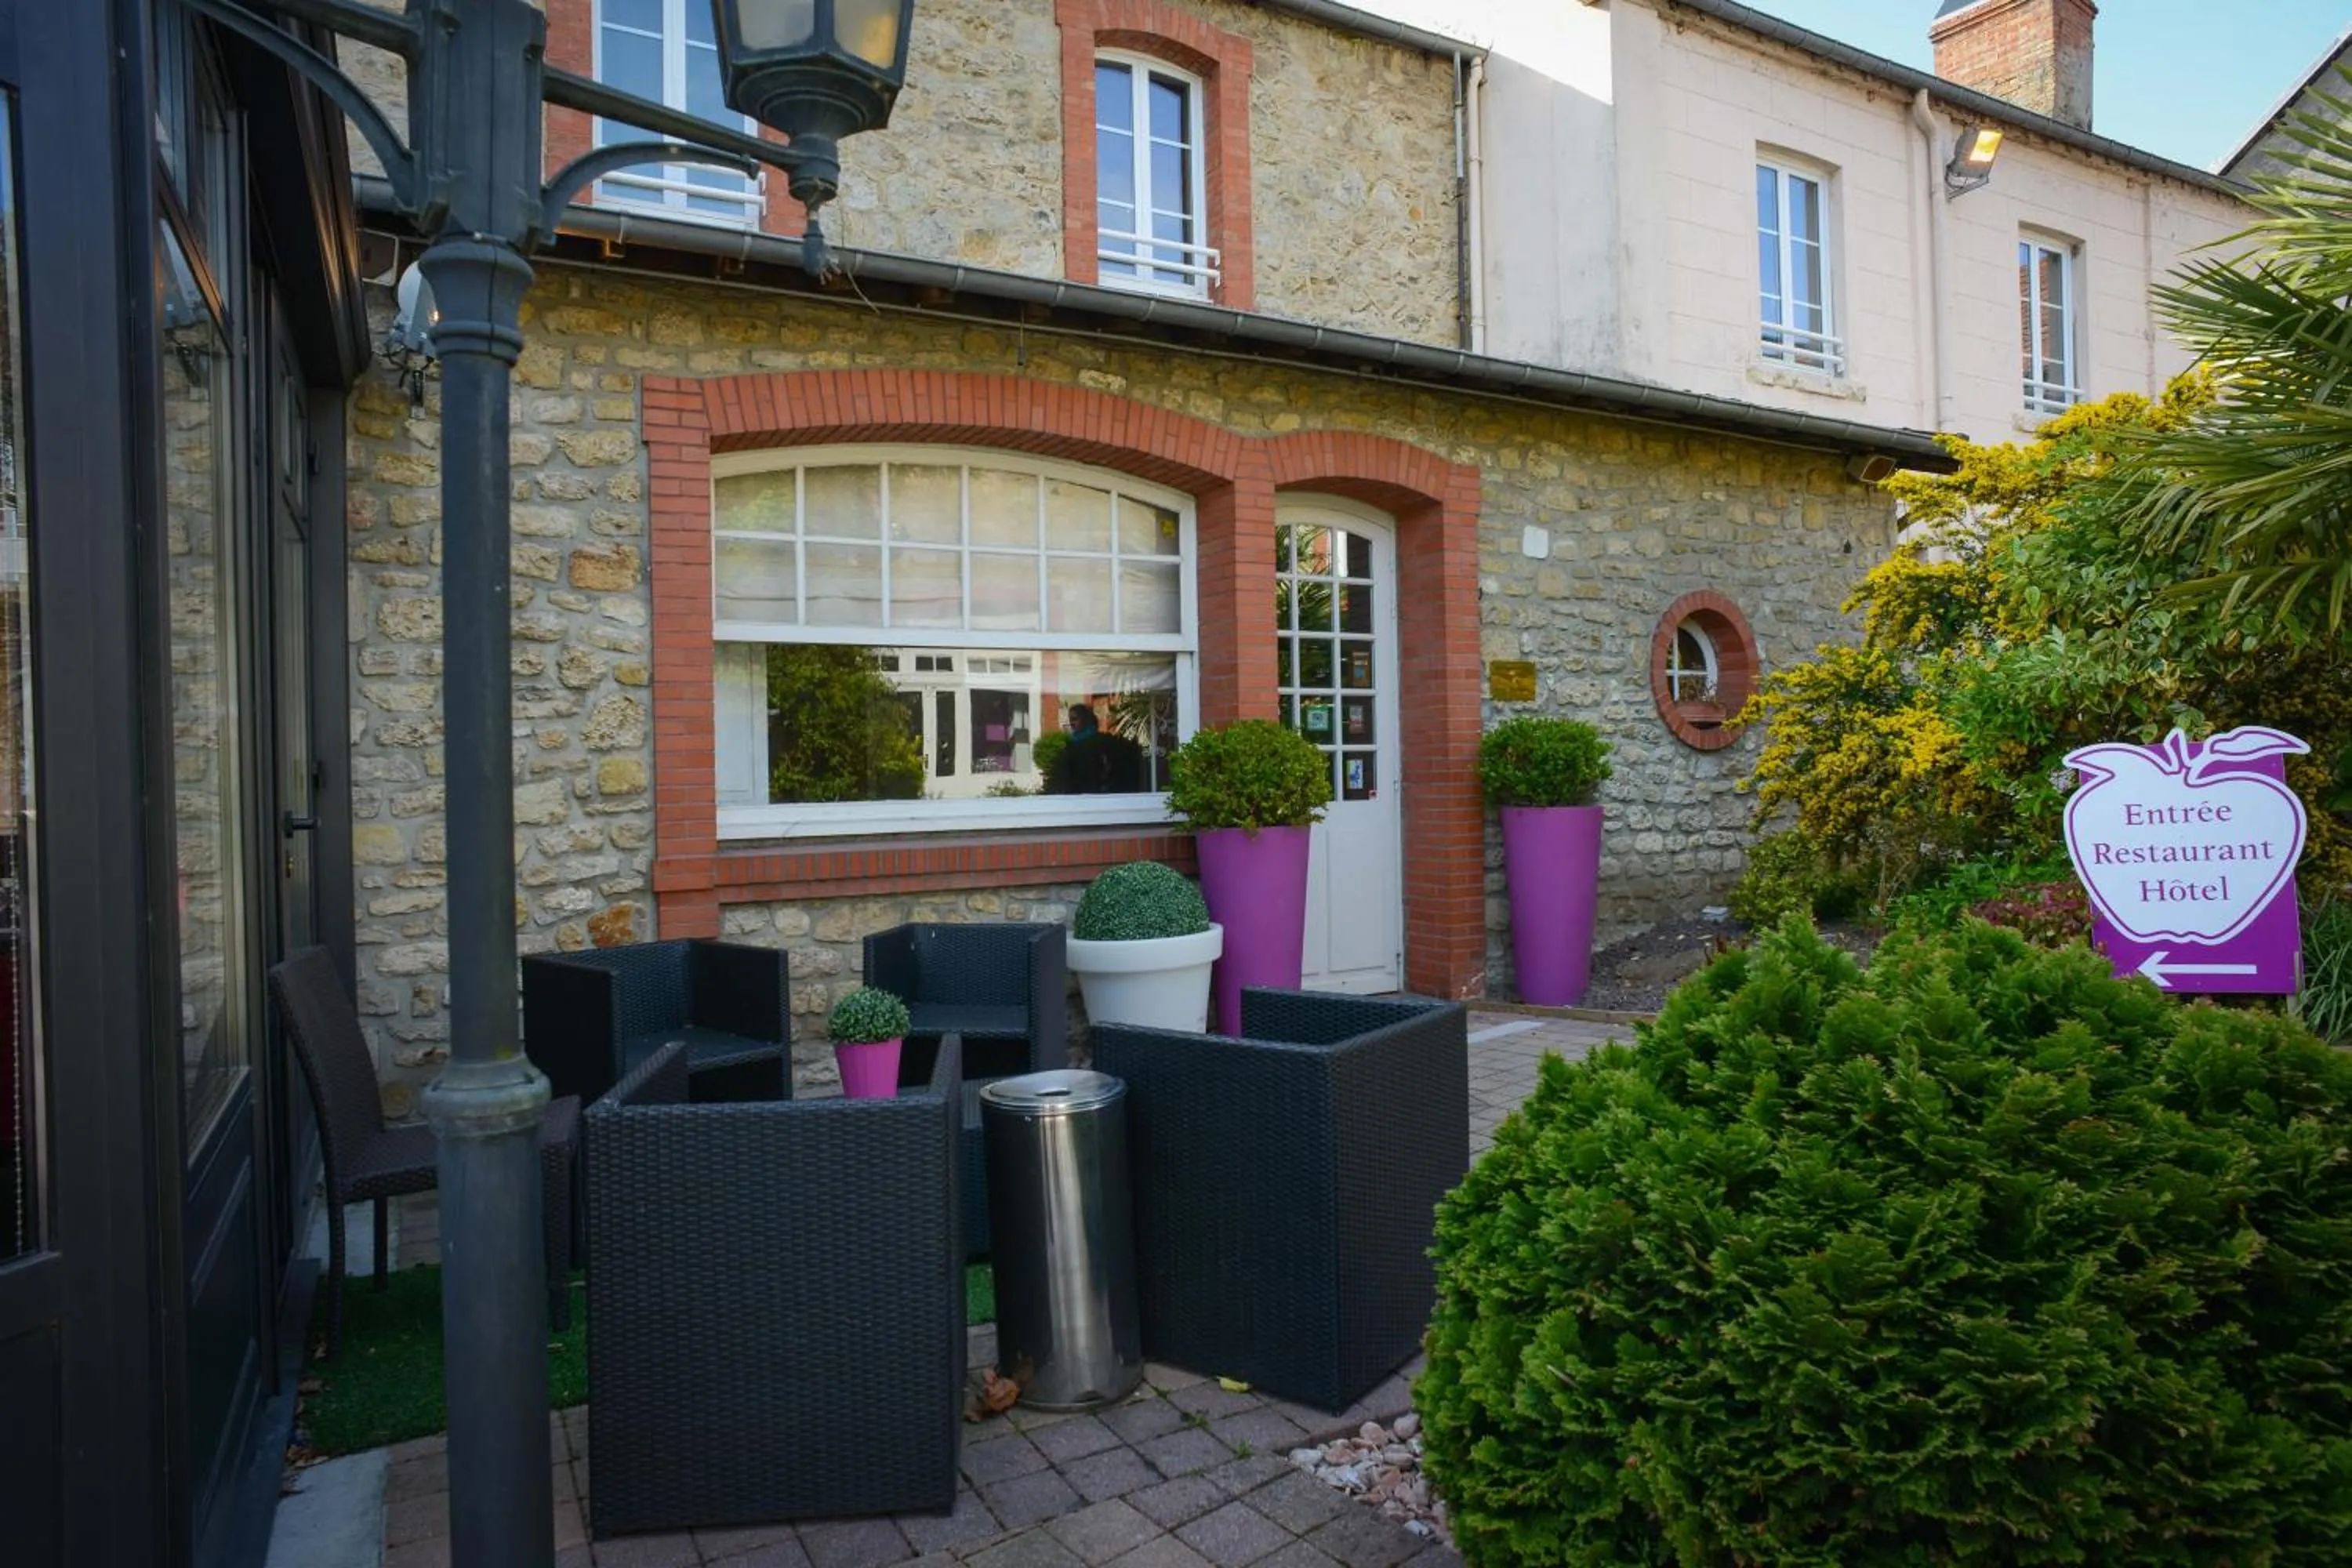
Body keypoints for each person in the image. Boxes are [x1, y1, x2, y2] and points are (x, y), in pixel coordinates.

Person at [1047, 703, 1145, 794]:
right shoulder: (1071, 746)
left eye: (1075, 719)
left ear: (1085, 719)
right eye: (1070, 720)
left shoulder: (1103, 742)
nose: (1072, 723)